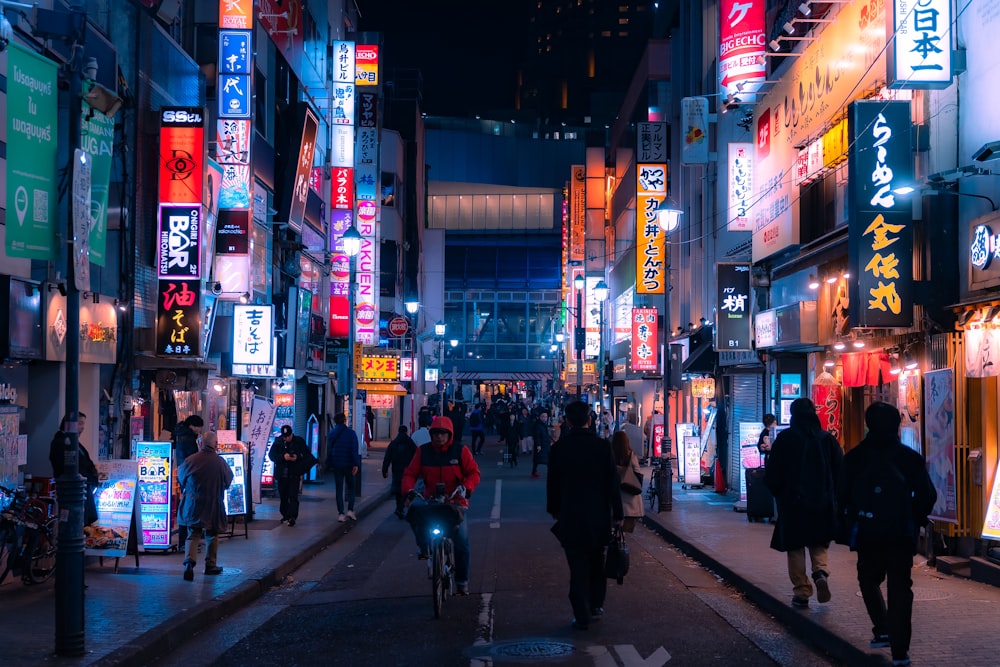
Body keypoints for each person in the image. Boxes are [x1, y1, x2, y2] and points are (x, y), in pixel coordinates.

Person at [837, 402, 936, 667]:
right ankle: (901, 652)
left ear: (868, 424)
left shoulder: (855, 457)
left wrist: (851, 521)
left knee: (868, 579)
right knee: (900, 589)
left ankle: (881, 628)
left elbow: (841, 495)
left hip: (868, 532)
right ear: (897, 424)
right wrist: (912, 519)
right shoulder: (908, 457)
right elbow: (928, 495)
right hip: (901, 534)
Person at [546, 400, 624, 630]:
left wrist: (554, 509)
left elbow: (553, 483)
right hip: (598, 516)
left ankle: (581, 613)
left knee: (577, 565)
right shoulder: (601, 446)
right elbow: (613, 482)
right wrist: (618, 513)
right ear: (589, 421)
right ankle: (596, 605)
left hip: (570, 515)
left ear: (568, 422)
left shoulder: (560, 448)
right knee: (596, 561)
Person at [764, 397, 844, 609]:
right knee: (819, 542)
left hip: (793, 504)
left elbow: (772, 474)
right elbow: (840, 471)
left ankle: (802, 592)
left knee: (795, 547)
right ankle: (820, 572)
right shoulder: (826, 439)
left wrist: (780, 495)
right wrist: (833, 497)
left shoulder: (786, 439)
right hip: (822, 503)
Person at [401, 416, 481, 596]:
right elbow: (410, 474)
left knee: (461, 542)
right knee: (415, 515)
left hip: (455, 502)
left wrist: (465, 488)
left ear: (449, 434)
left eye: (443, 434)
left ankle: (462, 581)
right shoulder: (423, 452)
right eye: (436, 433)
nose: (439, 437)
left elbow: (473, 473)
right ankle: (423, 547)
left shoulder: (460, 451)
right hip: (431, 500)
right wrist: (409, 491)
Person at [177, 430, 233, 581]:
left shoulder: (190, 460)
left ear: (201, 443)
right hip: (213, 503)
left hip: (193, 503)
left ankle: (189, 563)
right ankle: (210, 565)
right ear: (215, 445)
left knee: (193, 534)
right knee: (212, 534)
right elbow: (228, 481)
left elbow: (180, 477)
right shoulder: (221, 463)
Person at [49, 411, 99, 526]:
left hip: (81, 491)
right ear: (69, 424)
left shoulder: (72, 442)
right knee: (75, 524)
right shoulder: (62, 442)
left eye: (83, 425)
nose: (82, 428)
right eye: (80, 424)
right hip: (73, 493)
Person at [268, 424, 316, 526]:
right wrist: (282, 457)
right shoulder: (278, 442)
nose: (287, 438)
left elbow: (307, 455)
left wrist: (297, 457)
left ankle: (292, 517)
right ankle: (285, 515)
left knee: (293, 496)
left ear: (291, 434)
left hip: (294, 474)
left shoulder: (299, 441)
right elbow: (271, 455)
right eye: (285, 437)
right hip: (282, 475)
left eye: (288, 436)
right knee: (283, 496)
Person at [171, 415, 204, 548]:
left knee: (186, 507)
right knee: (190, 508)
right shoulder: (188, 438)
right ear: (193, 426)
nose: (199, 430)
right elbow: (193, 459)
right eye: (198, 427)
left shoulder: (182, 435)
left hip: (184, 474)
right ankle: (186, 541)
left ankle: (186, 541)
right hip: (190, 476)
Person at [326, 413, 361, 523]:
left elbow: (329, 449)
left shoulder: (332, 433)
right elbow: (354, 450)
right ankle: (350, 510)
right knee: (351, 487)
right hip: (349, 464)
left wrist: (329, 462)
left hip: (337, 465)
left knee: (339, 489)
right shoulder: (351, 434)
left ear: (335, 421)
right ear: (345, 421)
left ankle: (341, 513)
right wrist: (356, 464)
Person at [612, 430, 645, 532]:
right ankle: (622, 541)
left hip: (616, 499)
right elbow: (638, 473)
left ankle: (617, 540)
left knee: (615, 529)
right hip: (631, 501)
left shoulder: (611, 455)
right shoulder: (631, 455)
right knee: (625, 530)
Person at [382, 425, 417, 518]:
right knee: (406, 489)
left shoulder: (394, 443)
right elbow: (416, 455)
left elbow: (387, 457)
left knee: (398, 489)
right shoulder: (410, 442)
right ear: (406, 432)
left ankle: (399, 507)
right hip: (407, 469)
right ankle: (400, 508)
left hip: (396, 469)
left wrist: (384, 470)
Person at [530, 411, 552, 478]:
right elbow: (537, 436)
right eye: (543, 416)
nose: (544, 418)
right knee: (540, 459)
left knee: (545, 459)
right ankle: (534, 472)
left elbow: (546, 434)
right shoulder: (538, 425)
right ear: (540, 417)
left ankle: (534, 472)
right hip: (541, 445)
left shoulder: (543, 424)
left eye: (546, 416)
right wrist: (538, 445)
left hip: (546, 444)